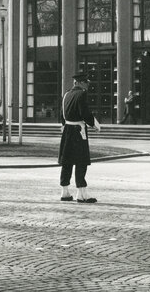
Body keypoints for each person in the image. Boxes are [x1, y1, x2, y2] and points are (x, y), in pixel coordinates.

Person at [58, 71, 101, 203]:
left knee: (67, 161)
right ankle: (82, 194)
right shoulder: (82, 94)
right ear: (80, 83)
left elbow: (62, 114)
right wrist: (94, 124)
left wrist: (64, 125)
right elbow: (85, 113)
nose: (87, 85)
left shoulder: (66, 94)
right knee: (81, 162)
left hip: (67, 130)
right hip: (78, 131)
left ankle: (65, 192)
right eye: (86, 82)